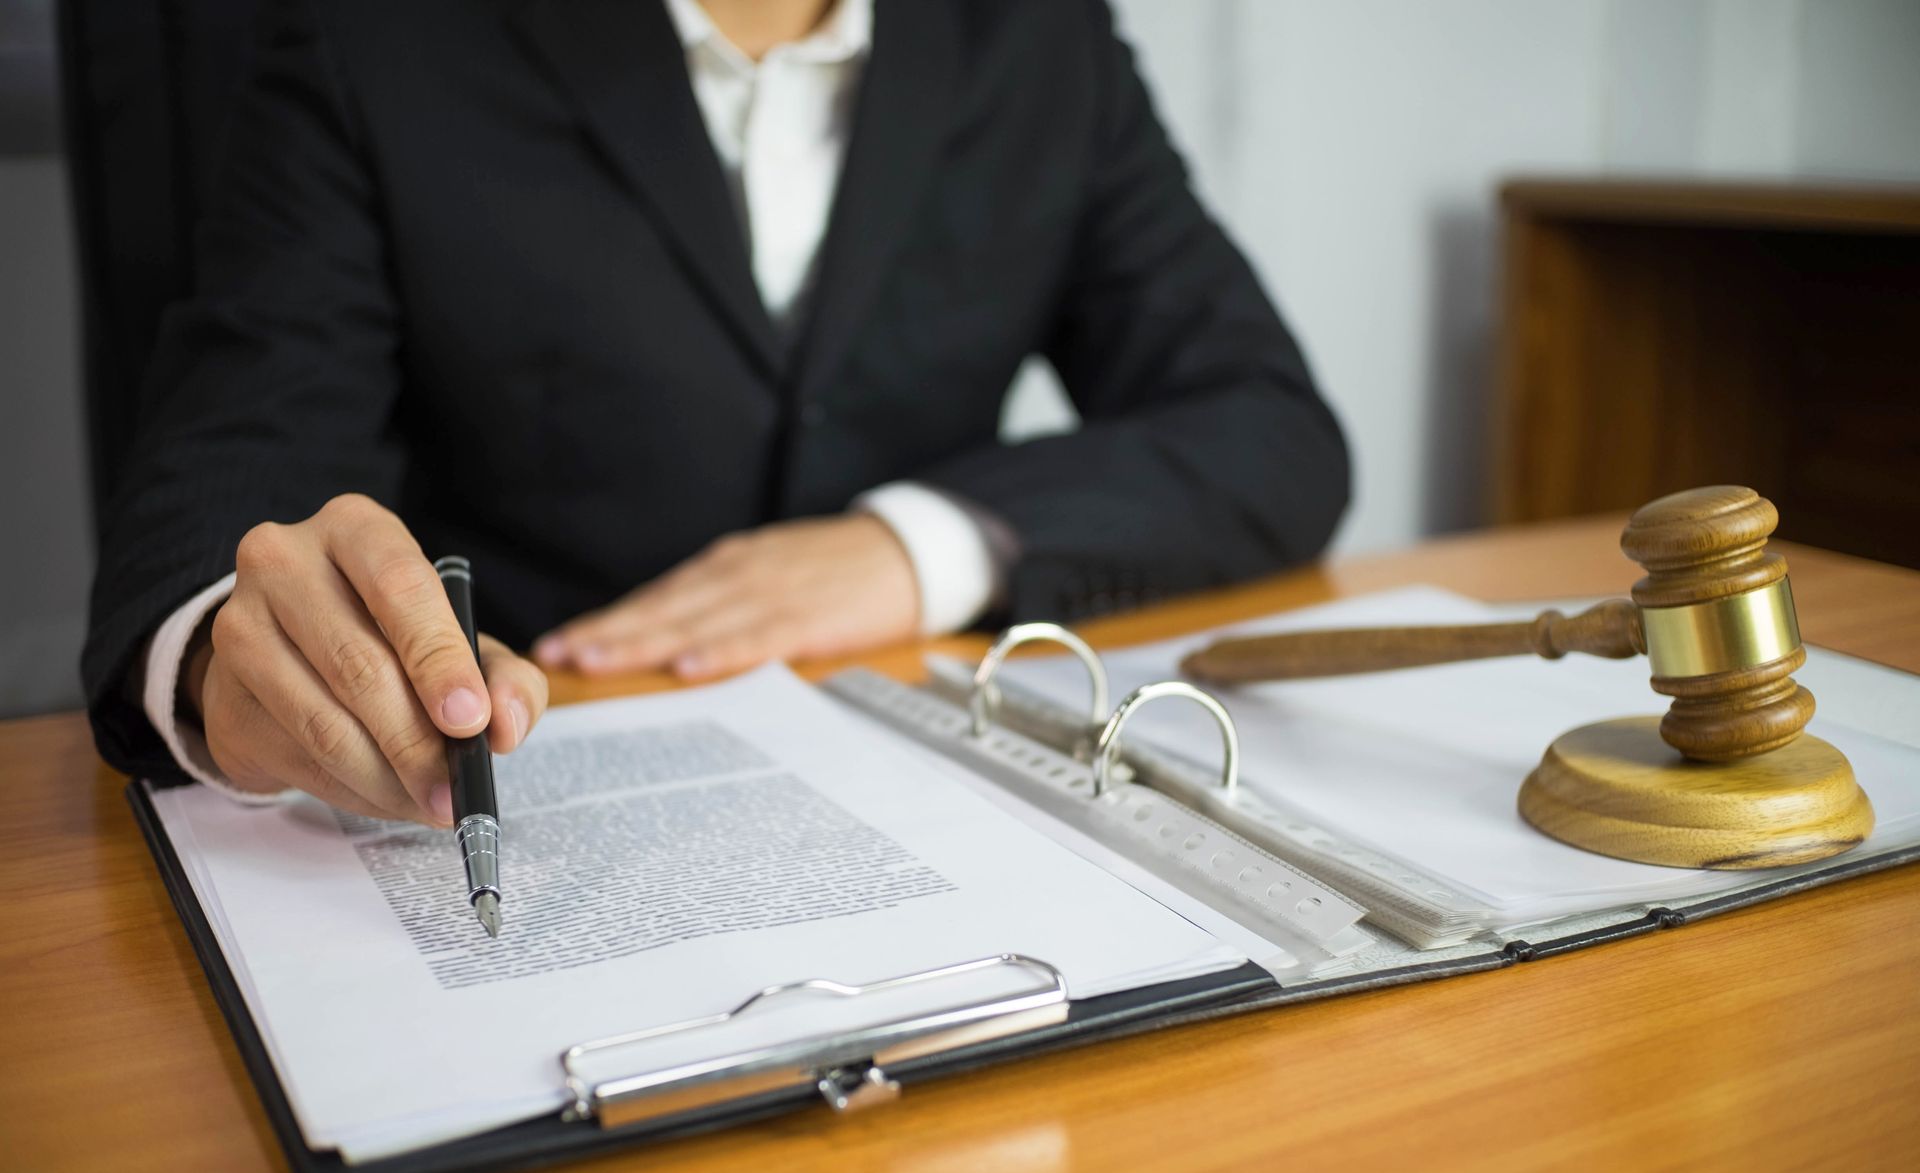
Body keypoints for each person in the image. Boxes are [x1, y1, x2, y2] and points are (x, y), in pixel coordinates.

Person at [81, 0, 1350, 828]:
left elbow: (1271, 425)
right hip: (530, 767)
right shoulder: (375, 40)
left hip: (930, 783)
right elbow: (217, 492)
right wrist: (222, 661)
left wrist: (916, 547)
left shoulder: (1039, 38)